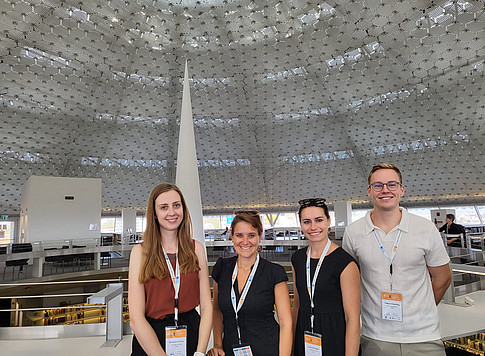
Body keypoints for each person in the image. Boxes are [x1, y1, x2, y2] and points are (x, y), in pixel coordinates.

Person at [343, 163, 452, 356]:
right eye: (378, 185)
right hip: (376, 337)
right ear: (369, 191)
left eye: (391, 184)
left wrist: (420, 310)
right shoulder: (354, 233)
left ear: (401, 190)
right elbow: (349, 283)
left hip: (423, 337)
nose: (385, 190)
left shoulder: (425, 229)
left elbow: (443, 278)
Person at [128, 183, 212, 356]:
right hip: (151, 339)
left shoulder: (196, 249)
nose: (172, 212)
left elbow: (206, 306)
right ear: (155, 214)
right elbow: (136, 319)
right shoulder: (140, 252)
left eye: (176, 205)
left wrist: (200, 352)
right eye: (164, 207)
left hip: (190, 335)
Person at [208, 210, 292, 356]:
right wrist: (217, 344)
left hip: (267, 349)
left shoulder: (273, 273)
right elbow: (217, 311)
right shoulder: (222, 269)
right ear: (232, 237)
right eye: (239, 235)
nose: (245, 241)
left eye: (251, 235)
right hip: (230, 349)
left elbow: (286, 323)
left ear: (259, 236)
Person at [291, 198, 360, 356]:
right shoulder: (298, 258)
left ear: (329, 221)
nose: (313, 227)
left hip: (334, 337)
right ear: (301, 224)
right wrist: (292, 346)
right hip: (305, 336)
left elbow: (352, 318)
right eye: (307, 222)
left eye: (319, 220)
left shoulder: (344, 262)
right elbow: (297, 305)